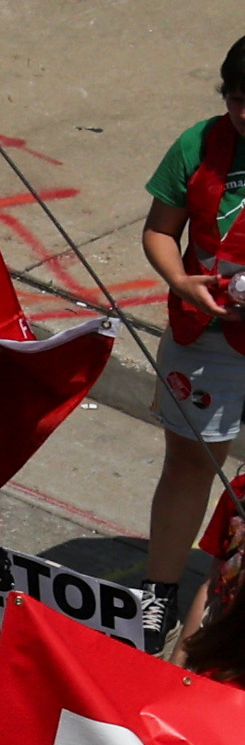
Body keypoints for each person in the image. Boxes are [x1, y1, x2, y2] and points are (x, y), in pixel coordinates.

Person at [128, 33, 245, 602]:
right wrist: (180, 282)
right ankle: (160, 591)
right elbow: (158, 230)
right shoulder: (196, 145)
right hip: (207, 336)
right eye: (239, 99)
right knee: (190, 464)